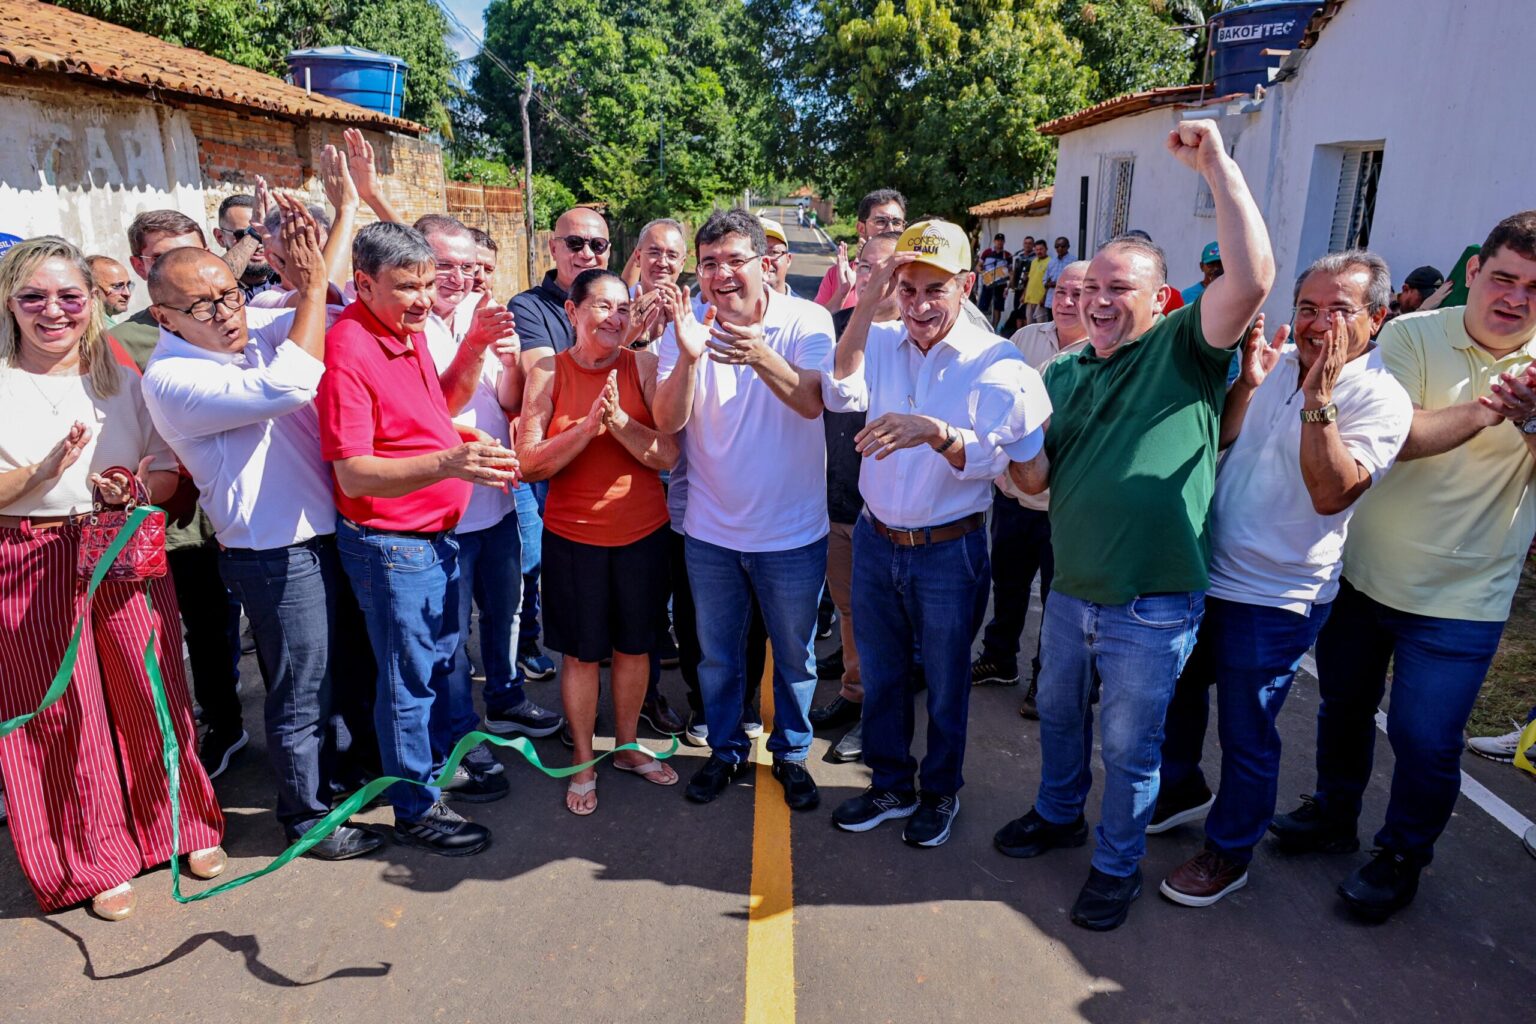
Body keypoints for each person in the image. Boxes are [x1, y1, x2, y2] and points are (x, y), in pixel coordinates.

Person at [996, 119, 1274, 931]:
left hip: (1151, 606)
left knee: (1128, 749)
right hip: (1075, 591)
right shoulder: (1066, 372)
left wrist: (1218, 165)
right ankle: (1057, 816)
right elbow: (1036, 479)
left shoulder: (1185, 350)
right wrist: (1008, 447)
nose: (1100, 302)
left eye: (1121, 289)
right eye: (1091, 290)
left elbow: (1252, 278)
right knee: (1055, 718)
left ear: (1161, 299)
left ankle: (1115, 865)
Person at [1271, 211, 1536, 921]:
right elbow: (1395, 433)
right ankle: (1333, 815)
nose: (1516, 298)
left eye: (1535, 289)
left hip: (1465, 595)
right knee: (1344, 708)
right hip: (1364, 572)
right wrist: (1490, 412)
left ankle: (1401, 856)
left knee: (1425, 739)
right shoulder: (1416, 333)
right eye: (1504, 278)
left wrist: (1532, 420)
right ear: (1475, 272)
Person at [1153, 251, 1412, 908]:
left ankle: (1229, 852)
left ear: (1376, 320)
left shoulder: (1380, 396)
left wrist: (1319, 402)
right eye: (1307, 308)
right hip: (1206, 570)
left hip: (1274, 597)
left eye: (1339, 310)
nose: (1318, 323)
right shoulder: (1279, 367)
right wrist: (1246, 384)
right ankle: (1182, 789)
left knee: (1246, 729)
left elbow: (1332, 493)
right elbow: (1226, 444)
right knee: (1177, 693)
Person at [139, 199, 384, 861]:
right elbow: (292, 385)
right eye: (201, 307)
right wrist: (306, 288)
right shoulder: (173, 376)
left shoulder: (248, 332)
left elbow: (331, 319)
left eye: (229, 295)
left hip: (323, 536)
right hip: (273, 553)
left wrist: (328, 247)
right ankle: (305, 818)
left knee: (339, 674)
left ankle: (337, 780)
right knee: (300, 688)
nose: (225, 313)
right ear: (163, 318)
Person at [0, 236, 226, 920]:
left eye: (69, 296)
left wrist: (131, 489)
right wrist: (42, 473)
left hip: (121, 542)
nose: (53, 312)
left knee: (148, 683)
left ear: (92, 302)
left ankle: (183, 825)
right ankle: (95, 856)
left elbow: (166, 465)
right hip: (30, 553)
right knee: (66, 710)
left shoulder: (120, 376)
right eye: (33, 297)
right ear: (10, 305)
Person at [826, 220, 1050, 848]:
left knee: (948, 681)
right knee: (883, 673)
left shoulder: (997, 362)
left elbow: (1000, 463)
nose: (921, 305)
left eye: (936, 289)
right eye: (909, 287)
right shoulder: (884, 339)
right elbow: (841, 382)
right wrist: (872, 294)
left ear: (967, 286)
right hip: (876, 541)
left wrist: (935, 432)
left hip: (948, 550)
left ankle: (940, 792)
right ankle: (890, 782)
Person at [318, 221, 521, 856]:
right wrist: (450, 464)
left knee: (432, 668)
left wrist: (476, 350)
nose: (423, 300)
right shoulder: (350, 348)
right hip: (391, 545)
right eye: (408, 287)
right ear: (364, 283)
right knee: (408, 684)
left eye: (429, 285)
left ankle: (428, 777)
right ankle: (414, 808)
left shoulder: (399, 333)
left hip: (431, 538)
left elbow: (440, 406)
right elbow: (352, 472)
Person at [654, 208, 833, 810]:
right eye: (710, 264)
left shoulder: (806, 320)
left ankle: (791, 755)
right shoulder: (684, 328)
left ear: (765, 262)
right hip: (710, 534)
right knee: (719, 658)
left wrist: (757, 353)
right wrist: (686, 354)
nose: (722, 274)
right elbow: (667, 422)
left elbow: (812, 403)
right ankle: (726, 751)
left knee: (795, 659)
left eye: (735, 260)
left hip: (792, 534)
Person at [518, 269, 680, 814]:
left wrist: (619, 426)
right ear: (572, 312)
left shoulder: (647, 367)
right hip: (573, 540)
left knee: (635, 648)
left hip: (642, 535)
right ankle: (585, 759)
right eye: (603, 307)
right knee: (583, 656)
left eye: (624, 308)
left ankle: (629, 746)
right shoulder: (549, 371)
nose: (616, 317)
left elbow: (668, 455)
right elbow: (529, 462)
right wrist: (587, 428)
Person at [418, 214, 563, 786]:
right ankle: (458, 736)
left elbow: (506, 402)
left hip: (498, 503)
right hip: (444, 511)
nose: (458, 278)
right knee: (449, 640)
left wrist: (507, 363)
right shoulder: (410, 328)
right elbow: (429, 417)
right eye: (444, 267)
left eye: (468, 267)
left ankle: (505, 702)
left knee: (505, 614)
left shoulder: (478, 317)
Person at [110, 209, 247, 780]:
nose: (188, 271)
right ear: (143, 268)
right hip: (179, 519)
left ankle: (250, 726)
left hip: (248, 506)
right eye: (165, 258)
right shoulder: (123, 342)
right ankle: (214, 725)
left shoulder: (244, 316)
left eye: (196, 254)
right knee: (199, 628)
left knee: (259, 630)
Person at [971, 261, 1091, 716]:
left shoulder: (1105, 353)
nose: (1065, 300)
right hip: (1013, 495)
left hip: (1066, 504)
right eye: (1061, 290)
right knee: (1008, 583)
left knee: (1061, 601)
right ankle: (1000, 658)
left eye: (1077, 292)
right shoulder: (1025, 339)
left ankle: (1049, 678)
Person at [809, 230, 904, 763]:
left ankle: (880, 722)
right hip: (836, 502)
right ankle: (854, 694)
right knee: (849, 612)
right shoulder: (837, 330)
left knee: (888, 625)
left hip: (891, 512)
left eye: (885, 268)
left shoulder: (924, 337)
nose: (874, 278)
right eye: (865, 269)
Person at [509, 206, 612, 688]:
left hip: (615, 465)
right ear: (553, 248)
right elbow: (542, 373)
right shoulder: (528, 306)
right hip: (555, 463)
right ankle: (533, 644)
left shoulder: (617, 302)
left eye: (598, 245)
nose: (587, 252)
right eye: (575, 243)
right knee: (543, 566)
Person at [816, 189, 907, 311]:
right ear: (861, 228)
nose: (890, 229)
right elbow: (817, 324)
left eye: (897, 223)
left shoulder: (914, 273)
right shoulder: (838, 275)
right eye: (881, 222)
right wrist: (842, 293)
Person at [214, 194, 280, 300]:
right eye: (243, 235)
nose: (259, 244)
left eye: (266, 232)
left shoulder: (288, 280)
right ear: (220, 237)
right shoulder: (212, 291)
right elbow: (213, 283)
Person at [976, 233, 1012, 328]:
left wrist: (1008, 287)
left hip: (1001, 285)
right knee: (983, 306)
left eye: (1001, 241)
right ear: (994, 241)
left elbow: (1011, 272)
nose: (999, 242)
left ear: (1004, 242)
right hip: (988, 283)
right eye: (997, 240)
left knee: (997, 308)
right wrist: (983, 273)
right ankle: (982, 327)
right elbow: (978, 266)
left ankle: (994, 328)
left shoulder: (1007, 255)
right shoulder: (987, 252)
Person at [86, 255, 133, 326]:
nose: (127, 293)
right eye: (117, 286)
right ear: (93, 290)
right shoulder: (100, 330)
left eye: (128, 285)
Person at [762, 217, 796, 297]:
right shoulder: (731, 308)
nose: (765, 260)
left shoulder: (803, 309)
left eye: (774, 252)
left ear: (788, 260)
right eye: (757, 252)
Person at [1022, 239, 1051, 323]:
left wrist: (1044, 297)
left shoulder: (1050, 262)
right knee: (1029, 326)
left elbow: (1049, 282)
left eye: (1041, 249)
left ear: (1046, 249)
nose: (1039, 251)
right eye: (1037, 249)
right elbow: (1030, 279)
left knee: (1040, 326)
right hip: (1030, 298)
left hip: (1041, 300)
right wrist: (1024, 294)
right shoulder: (1034, 261)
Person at [1043, 237, 1071, 312]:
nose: (1060, 248)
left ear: (1068, 246)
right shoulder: (1051, 262)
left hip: (1066, 300)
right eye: (1057, 247)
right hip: (1051, 300)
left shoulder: (1073, 261)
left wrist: (1059, 284)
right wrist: (1048, 284)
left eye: (1062, 246)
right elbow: (1044, 281)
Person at [1010, 236, 1036, 313]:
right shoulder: (1018, 256)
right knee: (1016, 311)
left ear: (1033, 245)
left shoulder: (1035, 257)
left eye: (1030, 243)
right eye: (1026, 243)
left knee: (1025, 314)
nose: (1027, 245)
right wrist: (1011, 283)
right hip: (1018, 288)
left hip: (1030, 289)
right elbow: (1013, 271)